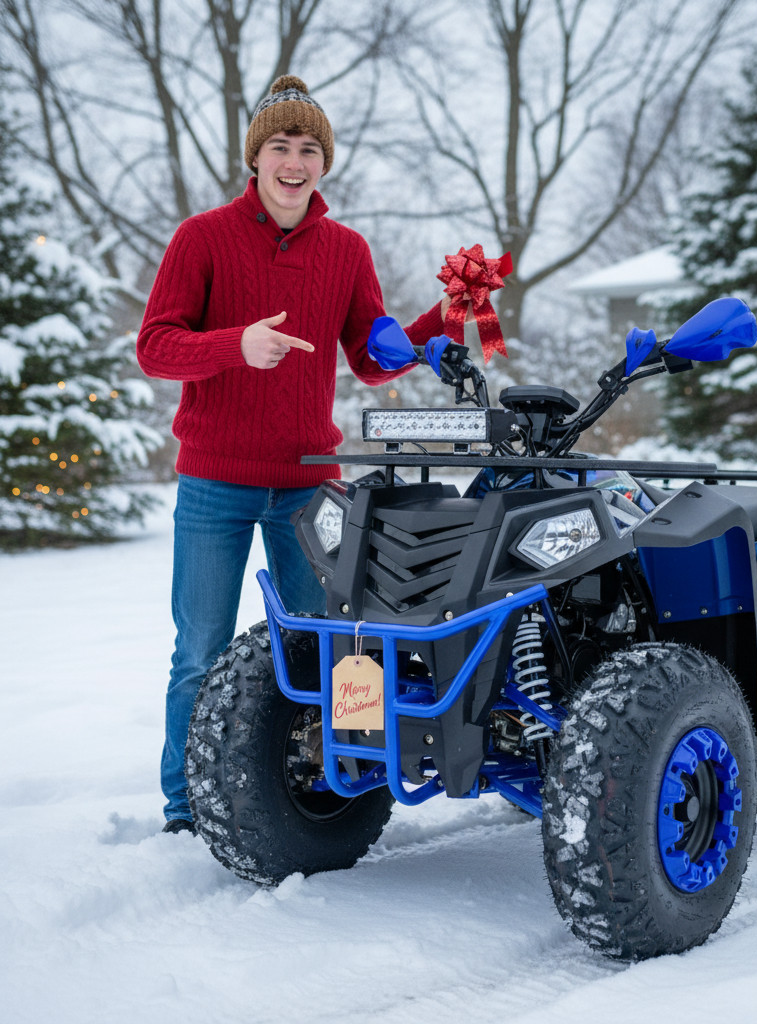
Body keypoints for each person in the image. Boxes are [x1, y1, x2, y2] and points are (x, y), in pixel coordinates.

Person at [137, 75, 445, 834]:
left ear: (324, 162)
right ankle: (186, 803)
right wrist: (235, 344)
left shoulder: (345, 250)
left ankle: (343, 789)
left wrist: (443, 317)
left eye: (310, 147)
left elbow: (372, 356)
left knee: (341, 646)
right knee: (200, 650)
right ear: (256, 157)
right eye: (281, 145)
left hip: (310, 485)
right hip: (215, 480)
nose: (295, 160)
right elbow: (155, 347)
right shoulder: (202, 238)